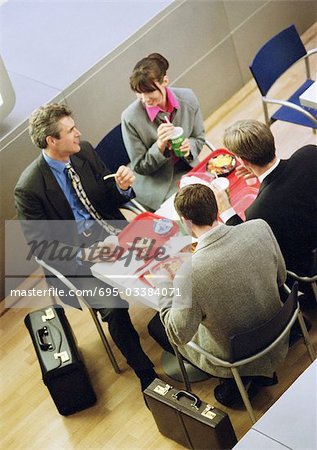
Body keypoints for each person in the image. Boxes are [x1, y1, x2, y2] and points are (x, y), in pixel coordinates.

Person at [14, 103, 157, 391]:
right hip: (77, 260)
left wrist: (121, 188)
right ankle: (146, 374)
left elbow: (109, 196)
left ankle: (174, 332)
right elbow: (42, 247)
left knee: (164, 261)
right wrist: (83, 254)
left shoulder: (86, 152)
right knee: (115, 308)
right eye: (70, 131)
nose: (78, 133)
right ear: (51, 141)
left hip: (112, 233)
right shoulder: (29, 188)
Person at [151, 184, 288, 407]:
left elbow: (178, 335)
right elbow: (281, 278)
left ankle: (241, 380)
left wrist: (167, 281)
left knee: (157, 327)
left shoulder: (190, 274)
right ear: (216, 209)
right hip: (279, 326)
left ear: (185, 222)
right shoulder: (259, 227)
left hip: (239, 354)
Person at [214, 120, 317, 306]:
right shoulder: (309, 153)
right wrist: (262, 178)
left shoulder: (258, 211)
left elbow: (250, 250)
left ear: (243, 161)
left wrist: (226, 211)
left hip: (308, 271)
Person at [121, 53, 205, 211]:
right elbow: (139, 166)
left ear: (165, 81)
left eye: (149, 91)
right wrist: (159, 147)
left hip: (188, 169)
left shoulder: (188, 99)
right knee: (193, 208)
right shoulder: (130, 118)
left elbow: (199, 138)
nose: (145, 99)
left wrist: (189, 147)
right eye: (139, 93)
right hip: (157, 184)